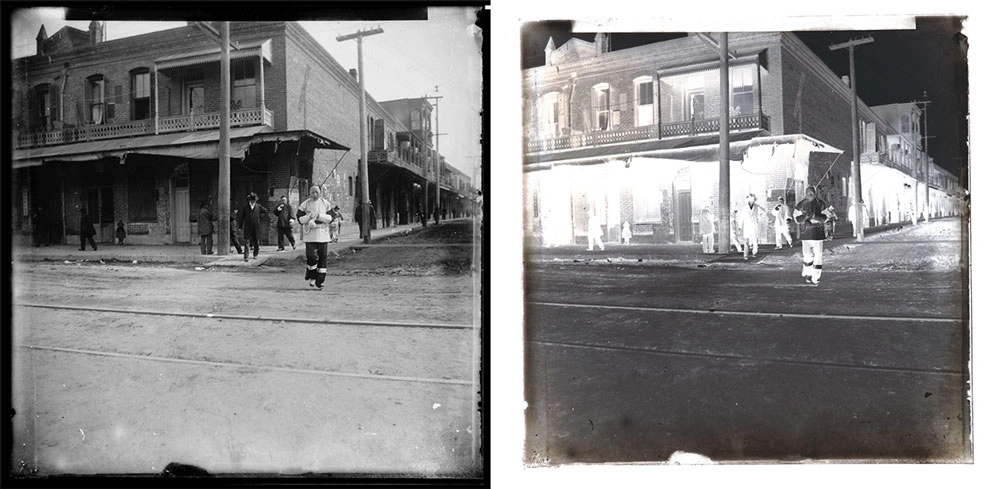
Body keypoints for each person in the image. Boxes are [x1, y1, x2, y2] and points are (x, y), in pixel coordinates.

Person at [297, 185, 334, 289]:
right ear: (309, 193)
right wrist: (308, 217)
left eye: (316, 192)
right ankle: (311, 275)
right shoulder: (305, 204)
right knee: (311, 256)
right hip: (310, 234)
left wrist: (320, 216)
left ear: (320, 193)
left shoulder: (325, 203)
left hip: (322, 233)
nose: (314, 194)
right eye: (312, 192)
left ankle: (320, 281)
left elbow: (331, 217)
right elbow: (299, 218)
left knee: (323, 257)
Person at [794, 185, 829, 286]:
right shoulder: (800, 205)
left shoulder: (821, 204)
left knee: (818, 254)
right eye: (808, 193)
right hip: (806, 232)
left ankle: (816, 276)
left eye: (812, 193)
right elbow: (796, 218)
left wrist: (814, 216)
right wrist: (804, 217)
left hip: (818, 232)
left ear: (815, 194)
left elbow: (826, 217)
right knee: (807, 254)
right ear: (805, 194)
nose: (809, 195)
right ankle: (808, 272)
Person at [236, 192, 267, 262]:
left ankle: (255, 254)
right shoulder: (245, 207)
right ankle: (246, 256)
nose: (253, 202)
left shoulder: (258, 206)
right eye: (251, 201)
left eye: (254, 201)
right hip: (247, 226)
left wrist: (260, 218)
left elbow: (265, 211)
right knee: (247, 241)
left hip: (256, 226)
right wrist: (240, 227)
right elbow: (241, 217)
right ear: (249, 201)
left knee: (256, 241)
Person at [736, 193, 764, 259]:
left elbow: (763, 211)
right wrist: (740, 226)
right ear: (748, 201)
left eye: (753, 201)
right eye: (750, 201)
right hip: (747, 227)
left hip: (754, 226)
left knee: (755, 241)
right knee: (746, 242)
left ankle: (754, 253)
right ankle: (745, 255)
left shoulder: (757, 207)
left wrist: (759, 217)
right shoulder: (744, 208)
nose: (751, 202)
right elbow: (741, 218)